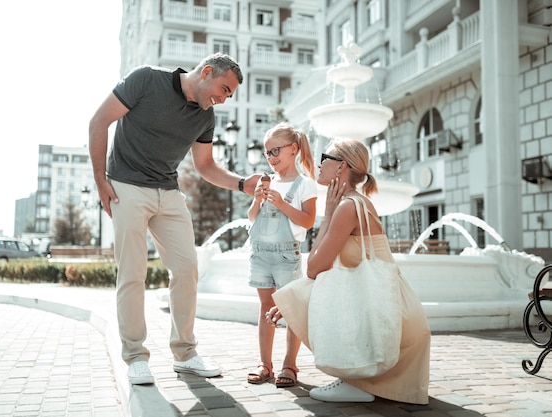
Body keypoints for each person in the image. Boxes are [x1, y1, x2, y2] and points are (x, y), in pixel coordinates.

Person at [88, 53, 260, 385]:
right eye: (224, 89)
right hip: (126, 186)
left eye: (229, 95)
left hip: (168, 192)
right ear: (206, 71)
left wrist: (242, 184)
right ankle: (136, 357)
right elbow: (99, 120)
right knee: (133, 272)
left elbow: (206, 166)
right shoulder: (145, 80)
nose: (223, 99)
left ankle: (185, 353)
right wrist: (100, 180)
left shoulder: (205, 117)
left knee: (187, 269)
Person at [267, 137, 430, 404]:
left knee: (312, 286)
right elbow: (320, 268)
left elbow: (313, 268)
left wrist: (328, 215)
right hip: (395, 309)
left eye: (324, 159)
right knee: (311, 288)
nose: (319, 165)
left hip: (390, 318)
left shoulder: (347, 207)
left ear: (341, 166)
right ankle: (356, 378)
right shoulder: (356, 202)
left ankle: (357, 381)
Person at [246, 123, 317, 387]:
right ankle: (265, 364)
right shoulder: (268, 182)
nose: (272, 157)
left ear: (293, 149)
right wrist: (256, 200)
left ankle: (290, 364)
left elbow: (308, 221)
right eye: (268, 153)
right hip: (260, 255)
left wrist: (282, 204)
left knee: (290, 309)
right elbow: (252, 219)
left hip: (287, 255)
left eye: (276, 150)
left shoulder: (304, 184)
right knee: (266, 308)